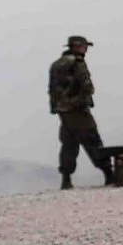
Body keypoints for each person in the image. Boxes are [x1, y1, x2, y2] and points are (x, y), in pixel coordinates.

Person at [48, 35, 103, 189]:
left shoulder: (56, 65)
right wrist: (85, 99)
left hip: (63, 111)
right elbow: (87, 87)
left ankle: (66, 178)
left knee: (69, 144)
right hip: (78, 109)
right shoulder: (77, 63)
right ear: (77, 47)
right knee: (92, 140)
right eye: (84, 46)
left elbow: (52, 89)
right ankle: (109, 173)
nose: (86, 50)